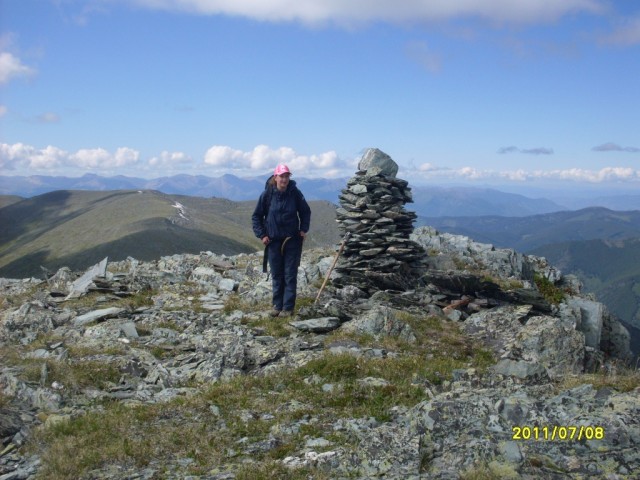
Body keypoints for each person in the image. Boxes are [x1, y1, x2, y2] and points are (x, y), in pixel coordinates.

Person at [252, 164, 311, 317]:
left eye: (287, 176)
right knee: (277, 274)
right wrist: (262, 235)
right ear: (275, 177)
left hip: (292, 240)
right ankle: (277, 306)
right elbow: (256, 216)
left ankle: (288, 308)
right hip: (273, 241)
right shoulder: (267, 195)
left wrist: (303, 229)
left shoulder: (295, 193)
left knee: (290, 274)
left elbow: (305, 211)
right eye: (282, 176)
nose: (284, 179)